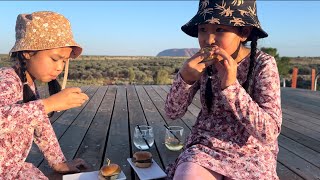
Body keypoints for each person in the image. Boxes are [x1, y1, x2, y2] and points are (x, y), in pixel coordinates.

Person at [165, 0, 282, 179]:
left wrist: (231, 87)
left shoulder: (263, 64)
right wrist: (185, 79)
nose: (209, 39)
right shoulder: (203, 64)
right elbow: (172, 112)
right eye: (203, 29)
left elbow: (269, 132)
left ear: (244, 32)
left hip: (252, 152)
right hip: (206, 146)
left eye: (219, 29)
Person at [0, 11, 90, 179]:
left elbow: (40, 124)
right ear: (27, 52)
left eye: (64, 61)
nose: (59, 67)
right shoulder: (7, 81)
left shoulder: (28, 84)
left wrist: (58, 163)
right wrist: (48, 105)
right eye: (55, 58)